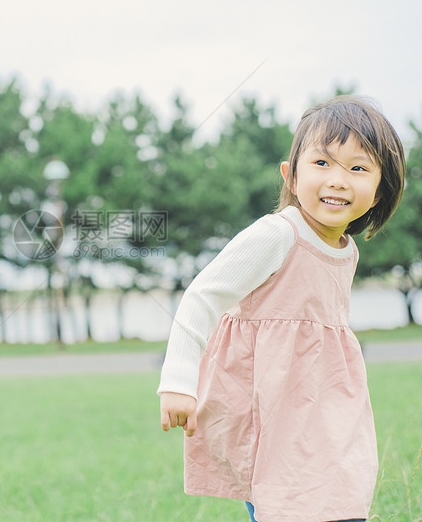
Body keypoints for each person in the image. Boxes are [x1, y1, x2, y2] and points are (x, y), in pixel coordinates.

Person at [158, 95, 406, 522]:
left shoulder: (346, 251)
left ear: (380, 190)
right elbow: (203, 296)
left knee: (345, 490)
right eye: (322, 163)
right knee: (287, 504)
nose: (339, 180)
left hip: (327, 402)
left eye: (358, 168)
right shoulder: (277, 235)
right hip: (270, 402)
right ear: (291, 176)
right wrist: (179, 381)